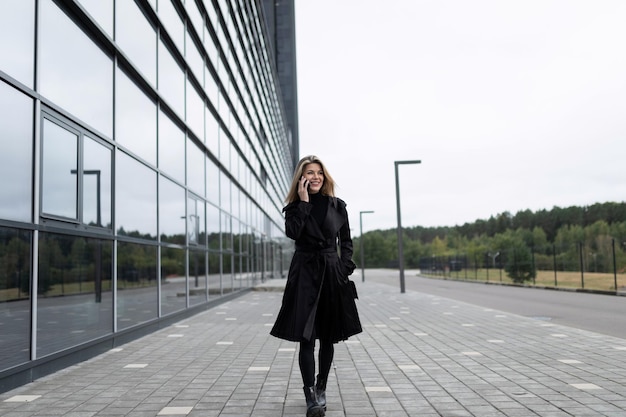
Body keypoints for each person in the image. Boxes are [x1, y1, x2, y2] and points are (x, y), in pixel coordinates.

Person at [270, 155, 362, 417]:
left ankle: (322, 386)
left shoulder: (337, 205)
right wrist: (304, 204)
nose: (316, 177)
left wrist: (343, 268)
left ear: (325, 176)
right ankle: (310, 395)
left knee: (329, 336)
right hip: (305, 275)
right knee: (306, 337)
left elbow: (346, 242)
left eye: (319, 172)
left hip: (332, 273)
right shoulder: (294, 208)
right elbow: (293, 232)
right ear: (302, 177)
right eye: (310, 172)